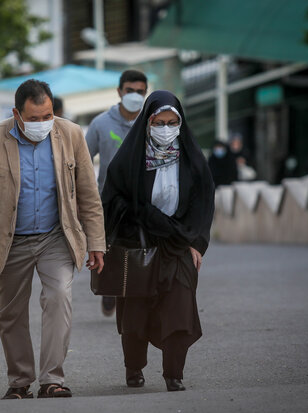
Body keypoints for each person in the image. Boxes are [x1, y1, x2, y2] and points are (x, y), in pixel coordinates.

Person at [0, 80, 106, 400]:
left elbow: (88, 195)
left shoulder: (71, 135)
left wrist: (96, 242)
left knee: (58, 299)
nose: (42, 124)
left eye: (47, 116)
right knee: (12, 312)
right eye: (34, 118)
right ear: (16, 114)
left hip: (57, 236)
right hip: (9, 242)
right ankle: (20, 380)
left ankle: (52, 378)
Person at [101, 90, 214, 392]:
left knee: (179, 308)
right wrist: (146, 216)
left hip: (179, 245)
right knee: (136, 313)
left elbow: (203, 203)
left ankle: (173, 373)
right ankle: (134, 368)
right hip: (139, 245)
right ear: (147, 123)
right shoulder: (129, 161)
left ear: (181, 123)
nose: (165, 129)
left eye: (171, 122)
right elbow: (112, 201)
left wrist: (196, 243)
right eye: (159, 122)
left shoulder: (192, 160)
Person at [85, 69, 148, 317]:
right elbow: (82, 159)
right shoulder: (101, 123)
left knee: (141, 247)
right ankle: (110, 290)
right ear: (119, 91)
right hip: (107, 201)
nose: (134, 95)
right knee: (108, 248)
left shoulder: (152, 121)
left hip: (143, 201)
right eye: (130, 91)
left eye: (140, 92)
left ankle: (136, 292)